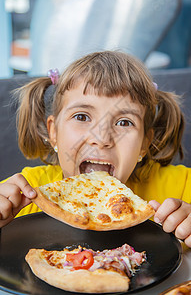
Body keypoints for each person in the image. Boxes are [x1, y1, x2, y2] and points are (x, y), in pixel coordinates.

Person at [0, 51, 190, 247]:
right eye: (82, 117)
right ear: (54, 132)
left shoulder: (182, 186)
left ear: (144, 144)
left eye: (124, 122)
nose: (102, 139)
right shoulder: (25, 194)